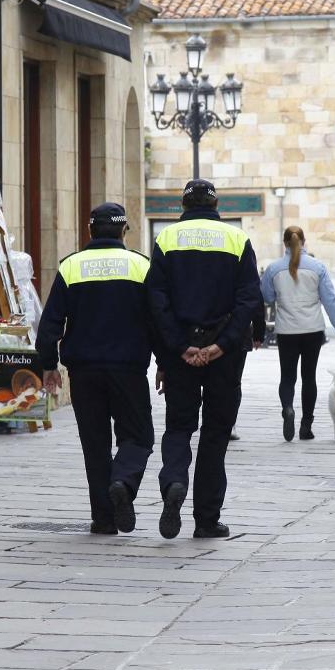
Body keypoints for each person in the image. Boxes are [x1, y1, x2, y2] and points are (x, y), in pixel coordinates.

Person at [147, 178, 262, 539]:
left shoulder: (166, 239)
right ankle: (207, 519)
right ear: (216, 206)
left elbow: (156, 300)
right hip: (225, 356)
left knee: (179, 427)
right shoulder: (236, 240)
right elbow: (249, 298)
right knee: (216, 434)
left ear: (183, 205)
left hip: (180, 352)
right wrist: (222, 345)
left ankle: (174, 482)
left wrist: (178, 347)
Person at [36, 202, 154, 535]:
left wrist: (48, 365)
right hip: (129, 369)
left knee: (95, 444)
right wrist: (165, 364)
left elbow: (50, 325)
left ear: (90, 230)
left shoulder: (72, 267)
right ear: (123, 231)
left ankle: (104, 519)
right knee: (139, 436)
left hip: (84, 372)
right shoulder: (141, 266)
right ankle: (123, 481)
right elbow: (157, 320)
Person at [260, 225, 335, 441]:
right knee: (308, 377)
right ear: (304, 242)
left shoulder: (274, 269)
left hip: (286, 330)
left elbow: (266, 296)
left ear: (285, 243)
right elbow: (332, 301)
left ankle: (287, 408)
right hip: (312, 329)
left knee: (287, 376)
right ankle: (306, 426)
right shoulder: (317, 267)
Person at [228, 302, 267, 441]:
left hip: (207, 332)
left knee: (210, 381)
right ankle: (230, 422)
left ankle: (212, 419)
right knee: (234, 382)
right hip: (239, 333)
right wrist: (258, 332)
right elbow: (254, 298)